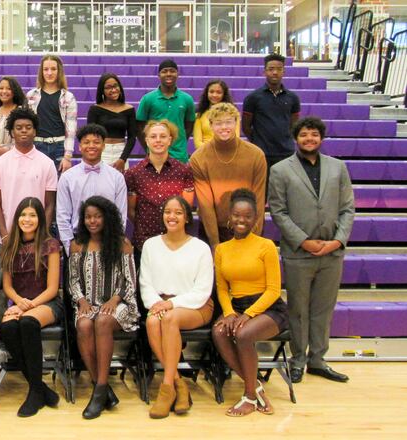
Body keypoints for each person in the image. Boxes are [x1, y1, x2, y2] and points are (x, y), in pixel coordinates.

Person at [269, 117, 355, 384]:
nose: (309, 139)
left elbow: (347, 209)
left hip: (332, 252)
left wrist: (337, 241)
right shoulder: (281, 170)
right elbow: (278, 211)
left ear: (321, 138)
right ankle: (298, 360)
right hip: (298, 252)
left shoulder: (338, 167)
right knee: (297, 309)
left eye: (314, 134)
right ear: (296, 138)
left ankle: (318, 360)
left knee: (323, 309)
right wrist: (304, 240)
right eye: (304, 134)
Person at [212, 189, 288, 417]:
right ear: (230, 216)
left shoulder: (266, 246)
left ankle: (249, 396)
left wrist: (249, 314)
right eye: (237, 215)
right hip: (237, 306)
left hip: (267, 307)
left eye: (247, 216)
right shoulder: (222, 249)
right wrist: (229, 313)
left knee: (243, 334)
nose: (241, 220)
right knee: (219, 332)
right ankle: (255, 386)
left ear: (255, 219)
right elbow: (222, 288)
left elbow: (273, 290)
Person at [139, 196, 214, 419]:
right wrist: (157, 304)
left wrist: (171, 304)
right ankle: (178, 384)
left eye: (178, 212)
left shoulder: (200, 248)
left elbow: (202, 291)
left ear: (187, 217)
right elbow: (145, 283)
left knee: (169, 318)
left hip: (195, 305)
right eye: (168, 212)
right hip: (160, 303)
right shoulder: (150, 245)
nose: (172, 217)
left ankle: (166, 388)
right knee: (152, 321)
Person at [68, 196, 139, 420]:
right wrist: (81, 300)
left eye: (97, 216)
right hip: (88, 302)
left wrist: (115, 300)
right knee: (83, 324)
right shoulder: (77, 244)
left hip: (120, 303)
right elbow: (73, 281)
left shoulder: (122, 243)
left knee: (102, 320)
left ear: (107, 218)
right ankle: (102, 387)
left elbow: (130, 281)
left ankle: (99, 391)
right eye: (88, 217)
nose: (92, 221)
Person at [0, 197, 62, 417]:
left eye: (32, 215)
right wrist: (18, 302)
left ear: (40, 219)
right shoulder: (9, 246)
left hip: (46, 302)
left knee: (27, 323)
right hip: (20, 303)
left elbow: (52, 289)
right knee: (7, 328)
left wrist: (28, 306)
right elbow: (7, 286)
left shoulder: (50, 245)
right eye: (23, 215)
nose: (27, 219)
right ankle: (40, 388)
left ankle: (35, 393)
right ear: (17, 218)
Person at [189, 103, 266, 251]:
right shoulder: (198, 158)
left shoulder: (256, 155)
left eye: (228, 122)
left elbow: (258, 200)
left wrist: (252, 240)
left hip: (249, 228)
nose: (224, 127)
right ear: (211, 125)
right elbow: (205, 205)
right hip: (214, 230)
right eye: (218, 123)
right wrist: (215, 244)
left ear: (236, 123)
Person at [0, 107, 58, 245]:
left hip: (36, 239)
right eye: (19, 128)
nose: (24, 130)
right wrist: (4, 236)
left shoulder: (47, 163)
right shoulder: (0, 163)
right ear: (12, 132)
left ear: (35, 131)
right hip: (6, 238)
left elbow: (50, 204)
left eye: (28, 127)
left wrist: (41, 235)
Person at [125, 120, 194, 254]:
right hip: (144, 242)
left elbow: (186, 208)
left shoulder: (183, 171)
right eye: (153, 136)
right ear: (146, 140)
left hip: (175, 242)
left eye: (163, 136)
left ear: (170, 140)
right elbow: (131, 211)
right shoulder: (133, 173)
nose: (158, 140)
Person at [57, 123, 127, 253]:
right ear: (79, 146)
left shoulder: (117, 177)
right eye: (86, 142)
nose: (91, 146)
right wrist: (70, 247)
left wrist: (115, 243)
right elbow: (62, 215)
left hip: (108, 240)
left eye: (96, 142)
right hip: (77, 240)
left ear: (103, 145)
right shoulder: (67, 178)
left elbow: (121, 215)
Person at [0, 76, 27, 242]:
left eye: (8, 88)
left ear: (14, 91)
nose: (4, 91)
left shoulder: (21, 111)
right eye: (1, 88)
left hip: (16, 157)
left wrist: (9, 150)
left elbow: (24, 134)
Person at [242, 53, 301, 170]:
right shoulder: (253, 97)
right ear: (264, 72)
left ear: (284, 72)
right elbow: (246, 127)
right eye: (271, 69)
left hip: (286, 153)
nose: (275, 72)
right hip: (261, 153)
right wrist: (258, 142)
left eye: (279, 69)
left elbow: (294, 125)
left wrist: (285, 140)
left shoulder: (293, 98)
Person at [135, 59, 196, 163]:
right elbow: (139, 127)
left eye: (172, 71)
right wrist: (149, 148)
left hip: (179, 155)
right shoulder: (148, 98)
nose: (168, 74)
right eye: (164, 71)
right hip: (155, 154)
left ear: (177, 74)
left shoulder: (187, 99)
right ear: (159, 75)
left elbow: (189, 126)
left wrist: (178, 141)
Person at [26, 54, 77, 173]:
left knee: (58, 183)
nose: (49, 73)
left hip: (59, 147)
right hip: (37, 146)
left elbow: (71, 129)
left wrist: (67, 156)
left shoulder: (68, 97)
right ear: (41, 72)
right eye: (46, 69)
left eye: (53, 69)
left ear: (59, 71)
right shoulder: (31, 95)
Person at [87, 73, 137, 171]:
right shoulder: (95, 109)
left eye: (115, 86)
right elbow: (90, 136)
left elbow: (132, 137)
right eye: (108, 87)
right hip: (101, 151)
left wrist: (123, 159)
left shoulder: (129, 109)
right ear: (102, 90)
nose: (113, 90)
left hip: (121, 152)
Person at [193, 80, 238, 149]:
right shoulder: (199, 115)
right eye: (211, 92)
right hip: (206, 152)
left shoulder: (233, 114)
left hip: (227, 151)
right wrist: (213, 151)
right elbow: (198, 143)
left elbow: (236, 138)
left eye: (218, 92)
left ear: (224, 94)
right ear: (207, 93)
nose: (214, 95)